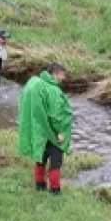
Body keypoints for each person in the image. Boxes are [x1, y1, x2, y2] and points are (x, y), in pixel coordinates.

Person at [18, 64, 74, 194]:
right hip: (52, 133)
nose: (63, 78)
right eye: (62, 75)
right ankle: (55, 190)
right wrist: (60, 131)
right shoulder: (53, 90)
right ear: (55, 74)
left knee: (40, 159)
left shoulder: (36, 83)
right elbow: (55, 115)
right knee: (55, 163)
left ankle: (40, 185)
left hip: (40, 131)